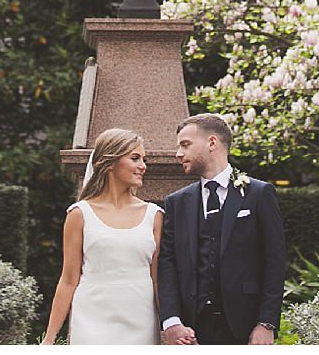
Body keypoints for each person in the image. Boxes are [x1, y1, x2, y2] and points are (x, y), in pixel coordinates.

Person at [157, 114, 286, 345]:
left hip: (244, 328)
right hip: (191, 329)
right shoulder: (177, 202)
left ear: (212, 143)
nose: (178, 154)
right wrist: (171, 321)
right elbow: (167, 264)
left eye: (185, 145)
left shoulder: (258, 194)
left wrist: (266, 323)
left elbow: (275, 262)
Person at [42, 128, 164, 345]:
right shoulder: (80, 214)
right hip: (91, 318)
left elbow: (157, 280)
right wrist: (48, 340)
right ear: (110, 163)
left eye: (144, 159)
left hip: (141, 317)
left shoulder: (154, 215)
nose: (143, 166)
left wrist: (168, 327)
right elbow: (68, 280)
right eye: (135, 158)